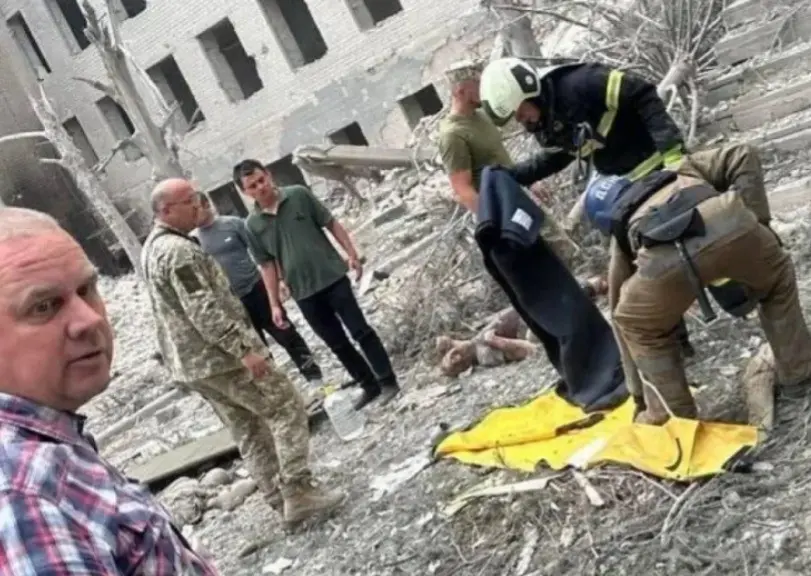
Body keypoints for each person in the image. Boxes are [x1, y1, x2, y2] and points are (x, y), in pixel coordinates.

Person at [0, 206, 219, 574]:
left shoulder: (48, 442)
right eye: (43, 307)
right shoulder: (25, 499)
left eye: (86, 290)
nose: (90, 319)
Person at [141, 178, 343, 527]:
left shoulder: (153, 248)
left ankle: (280, 502)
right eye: (190, 200)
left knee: (247, 428)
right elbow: (203, 309)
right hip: (221, 357)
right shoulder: (177, 252)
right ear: (166, 210)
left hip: (195, 365)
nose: (199, 205)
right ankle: (298, 490)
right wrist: (243, 349)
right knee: (286, 406)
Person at [479, 56, 709, 357]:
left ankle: (742, 295)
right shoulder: (548, 118)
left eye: (521, 113)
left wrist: (674, 155)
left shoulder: (580, 83)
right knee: (647, 267)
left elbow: (641, 92)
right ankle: (677, 345)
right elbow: (561, 154)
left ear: (528, 91)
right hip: (624, 190)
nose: (523, 121)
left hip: (658, 169)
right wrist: (513, 176)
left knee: (701, 235)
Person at [582, 146, 811, 424]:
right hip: (729, 221)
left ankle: (674, 417)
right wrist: (758, 222)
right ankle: (798, 378)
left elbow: (620, 313)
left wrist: (638, 395)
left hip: (664, 260)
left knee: (638, 326)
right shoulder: (679, 171)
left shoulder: (621, 231)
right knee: (776, 283)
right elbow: (743, 154)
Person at [234, 159, 400, 410]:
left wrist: (351, 253)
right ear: (245, 192)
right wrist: (275, 305)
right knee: (336, 343)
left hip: (332, 277)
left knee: (360, 331)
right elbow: (267, 266)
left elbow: (330, 222)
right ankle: (368, 384)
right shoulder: (252, 226)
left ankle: (387, 381)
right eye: (252, 186)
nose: (261, 187)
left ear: (268, 175)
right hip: (303, 292)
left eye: (261, 180)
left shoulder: (298, 195)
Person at [437, 59, 579, 266]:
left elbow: (499, 156)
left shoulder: (483, 116)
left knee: (562, 248)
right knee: (548, 260)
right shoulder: (452, 135)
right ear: (460, 90)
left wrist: (530, 181)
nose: (485, 87)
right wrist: (494, 222)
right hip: (504, 212)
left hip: (518, 197)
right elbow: (462, 190)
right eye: (478, 84)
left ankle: (588, 289)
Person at [193, 193, 324, 389]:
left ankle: (314, 377)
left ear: (206, 204)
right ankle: (280, 391)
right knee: (256, 348)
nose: (194, 214)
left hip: (257, 289)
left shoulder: (234, 224)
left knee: (286, 333)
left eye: (197, 208)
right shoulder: (194, 241)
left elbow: (264, 254)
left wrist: (278, 280)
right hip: (232, 302)